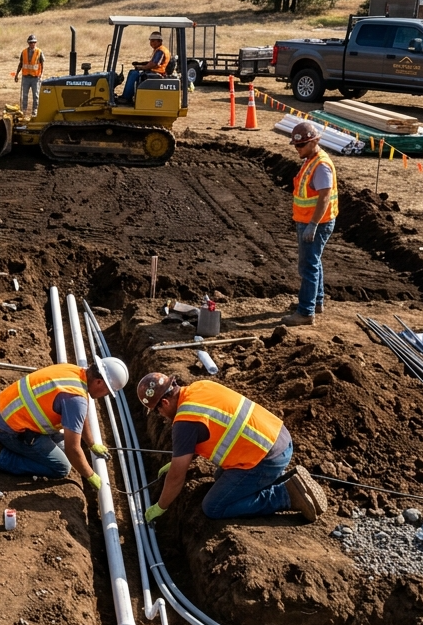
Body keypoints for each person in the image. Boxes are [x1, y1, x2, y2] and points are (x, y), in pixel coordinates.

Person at [136, 372, 327, 524]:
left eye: (157, 410)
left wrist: (160, 507)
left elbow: (177, 478)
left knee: (214, 507)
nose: (160, 415)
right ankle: (283, 478)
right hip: (280, 439)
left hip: (266, 458)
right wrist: (175, 463)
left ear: (165, 402)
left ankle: (285, 495)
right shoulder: (200, 387)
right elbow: (207, 429)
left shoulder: (184, 422)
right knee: (220, 477)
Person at [0, 358, 130, 491]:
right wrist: (90, 475)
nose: (105, 395)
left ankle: (4, 445)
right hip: (10, 430)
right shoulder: (75, 399)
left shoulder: (73, 371)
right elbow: (74, 449)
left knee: (65, 450)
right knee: (62, 467)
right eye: (108, 390)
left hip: (4, 410)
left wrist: (92, 444)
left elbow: (79, 416)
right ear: (99, 382)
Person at [282, 121, 338, 327]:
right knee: (314, 262)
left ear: (314, 142)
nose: (298, 149)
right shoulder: (311, 159)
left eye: (301, 145)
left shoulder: (321, 165)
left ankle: (305, 311)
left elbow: (324, 196)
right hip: (309, 221)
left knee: (308, 266)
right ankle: (316, 303)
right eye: (296, 146)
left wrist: (313, 224)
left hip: (316, 223)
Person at [121, 31, 171, 104]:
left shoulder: (160, 51)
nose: (151, 43)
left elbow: (154, 64)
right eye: (151, 41)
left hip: (157, 72)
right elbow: (152, 62)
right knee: (134, 72)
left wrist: (142, 67)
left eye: (153, 41)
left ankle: (126, 97)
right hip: (156, 71)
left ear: (160, 41)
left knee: (134, 73)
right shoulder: (159, 49)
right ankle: (128, 96)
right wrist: (140, 64)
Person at [14, 34, 44, 117]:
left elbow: (42, 64)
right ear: (28, 43)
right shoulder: (23, 52)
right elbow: (20, 64)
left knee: (36, 95)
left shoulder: (39, 52)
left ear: (36, 43)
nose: (32, 44)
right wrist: (16, 74)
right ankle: (24, 111)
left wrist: (41, 75)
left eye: (34, 42)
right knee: (25, 95)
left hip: (35, 77)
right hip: (26, 77)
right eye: (31, 42)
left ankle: (34, 111)